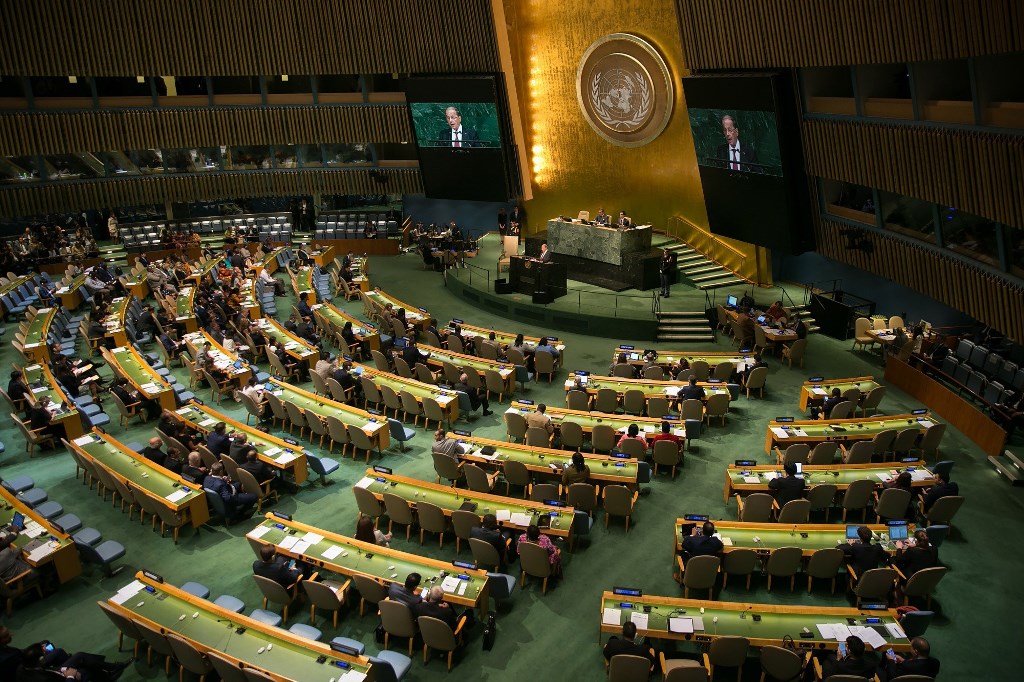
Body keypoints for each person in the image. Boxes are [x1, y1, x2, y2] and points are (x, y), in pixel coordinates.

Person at [16, 641, 131, 682]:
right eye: (44, 654)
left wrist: (63, 670)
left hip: (56, 673)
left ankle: (111, 668)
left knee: (80, 656)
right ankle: (108, 676)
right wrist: (70, 677)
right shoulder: (42, 679)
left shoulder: (24, 668)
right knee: (87, 668)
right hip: (64, 679)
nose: (47, 653)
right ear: (40, 660)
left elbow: (48, 671)